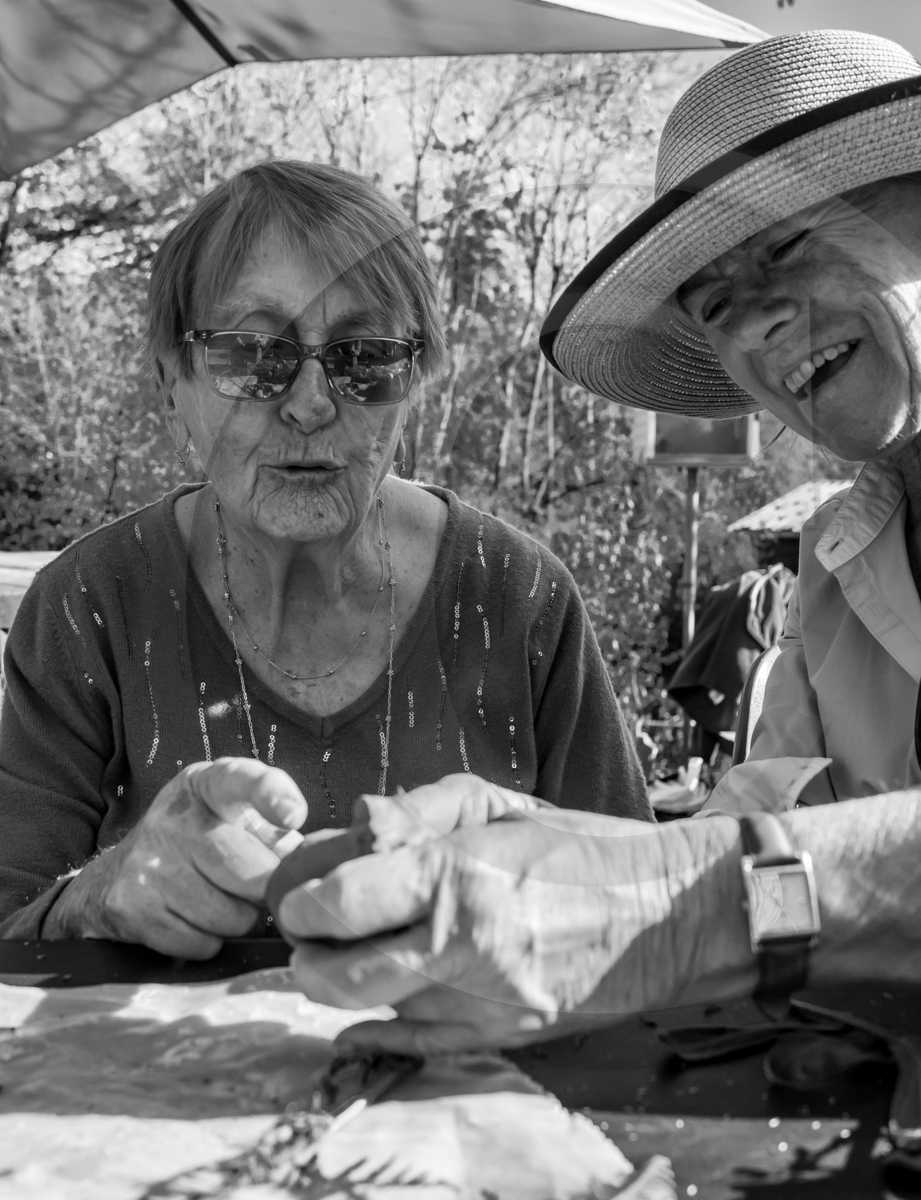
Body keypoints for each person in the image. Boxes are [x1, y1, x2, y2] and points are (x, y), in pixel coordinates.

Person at [274, 32, 921, 1051]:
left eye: (790, 244)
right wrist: (537, 845)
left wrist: (669, 907)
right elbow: (765, 841)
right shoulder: (839, 563)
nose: (757, 321)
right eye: (715, 301)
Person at [0, 159, 649, 957]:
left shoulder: (515, 595)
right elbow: (9, 919)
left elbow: (646, 898)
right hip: (162, 1079)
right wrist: (98, 893)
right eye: (251, 354)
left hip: (466, 1071)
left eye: (363, 355)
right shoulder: (91, 604)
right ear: (174, 383)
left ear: (416, 384)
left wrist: (540, 867)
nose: (309, 403)